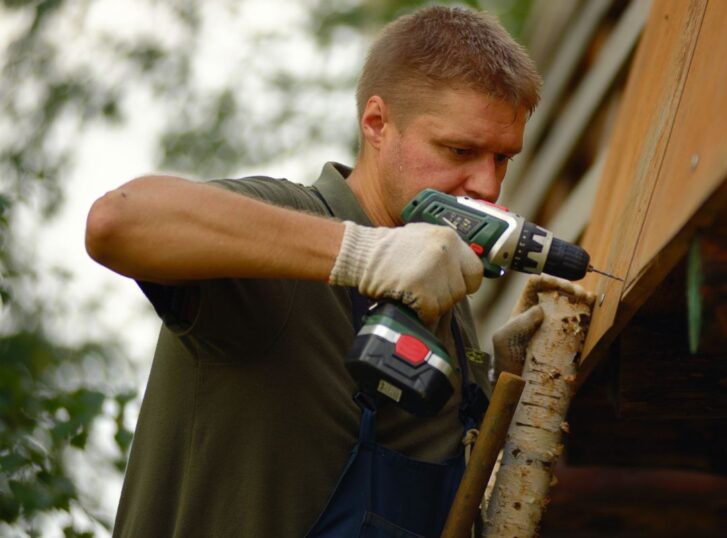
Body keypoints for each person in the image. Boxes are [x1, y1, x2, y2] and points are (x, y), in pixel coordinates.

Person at [85, 5, 567, 537]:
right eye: (459, 150)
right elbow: (117, 221)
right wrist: (362, 254)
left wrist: (504, 389)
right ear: (377, 124)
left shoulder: (450, 305)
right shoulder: (292, 233)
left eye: (503, 159)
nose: (488, 187)